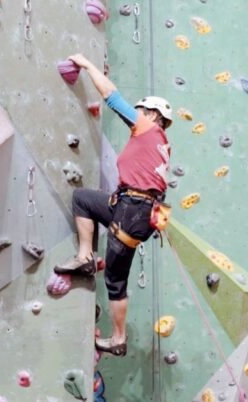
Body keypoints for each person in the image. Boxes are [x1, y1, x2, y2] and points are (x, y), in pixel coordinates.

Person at [53, 53, 172, 357]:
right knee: (83, 199)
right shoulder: (156, 144)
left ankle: (118, 338)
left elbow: (111, 97)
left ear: (153, 115)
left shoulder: (148, 129)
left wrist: (87, 63)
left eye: (142, 110)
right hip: (131, 209)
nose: (138, 113)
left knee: (115, 280)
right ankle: (84, 256)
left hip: (133, 211)